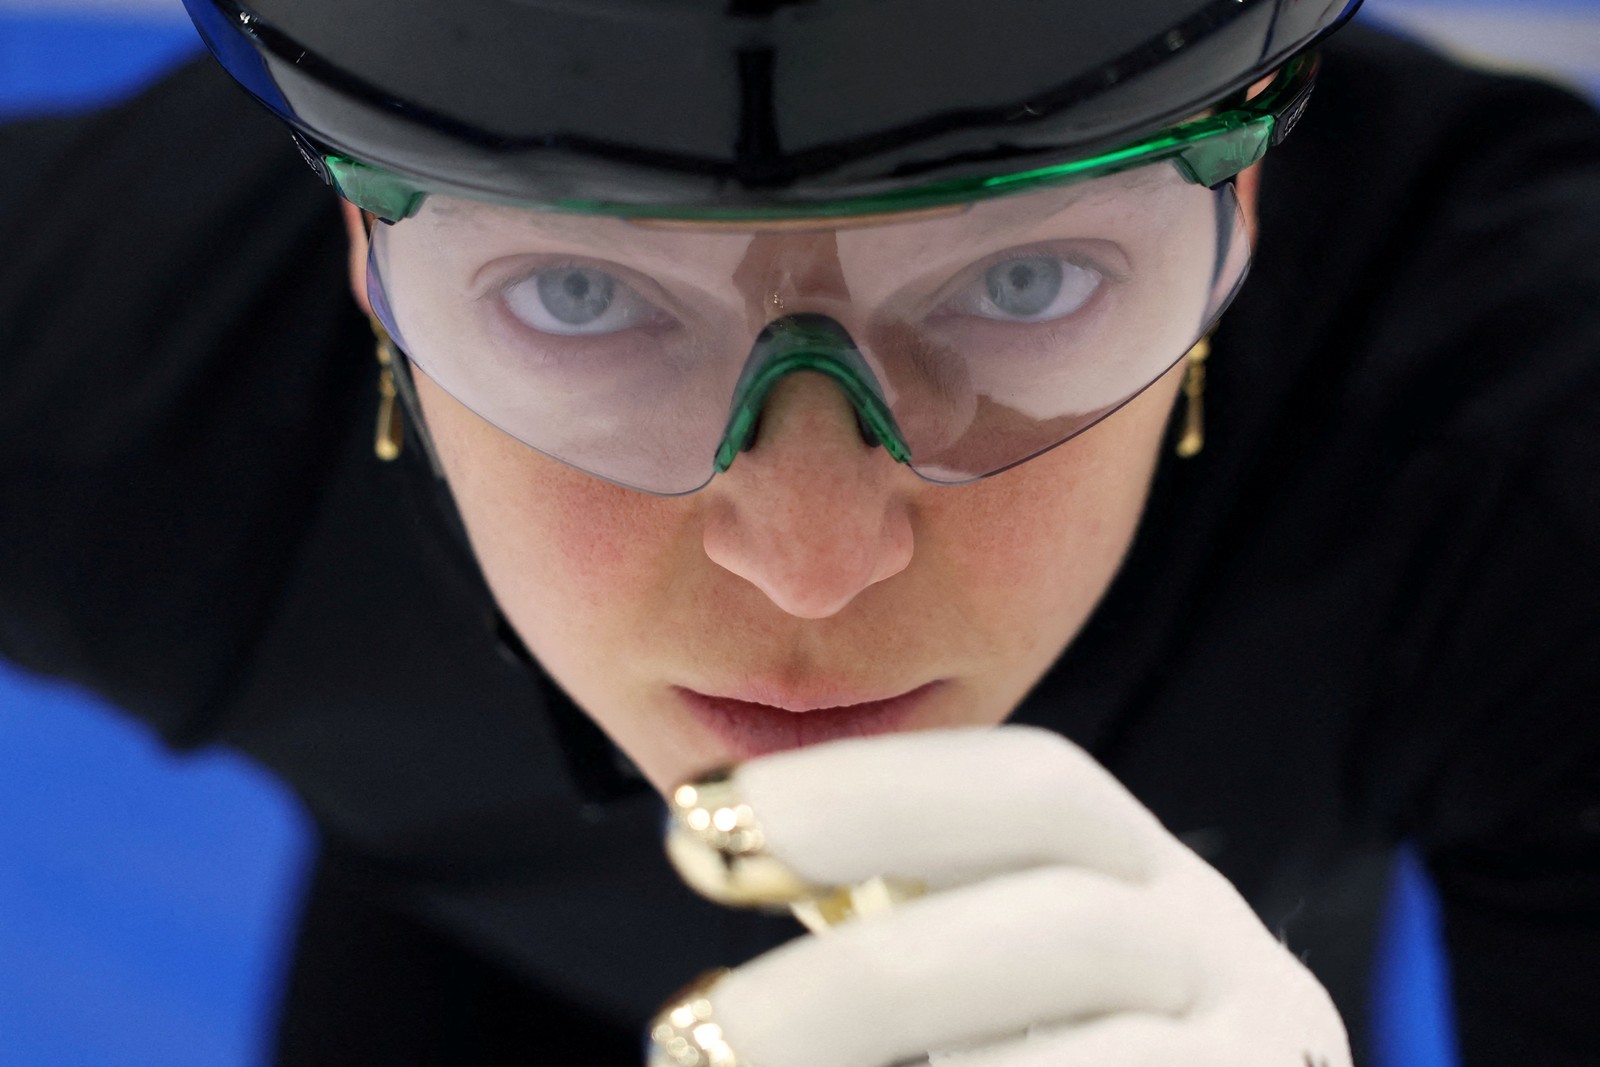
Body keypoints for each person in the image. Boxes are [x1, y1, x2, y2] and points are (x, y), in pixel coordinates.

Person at [1, 0, 1597, 1063]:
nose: (813, 559)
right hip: (483, 954)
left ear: (1236, 222)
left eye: (1022, 282)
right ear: (365, 255)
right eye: (585, 296)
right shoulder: (116, 374)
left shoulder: (1532, 449)